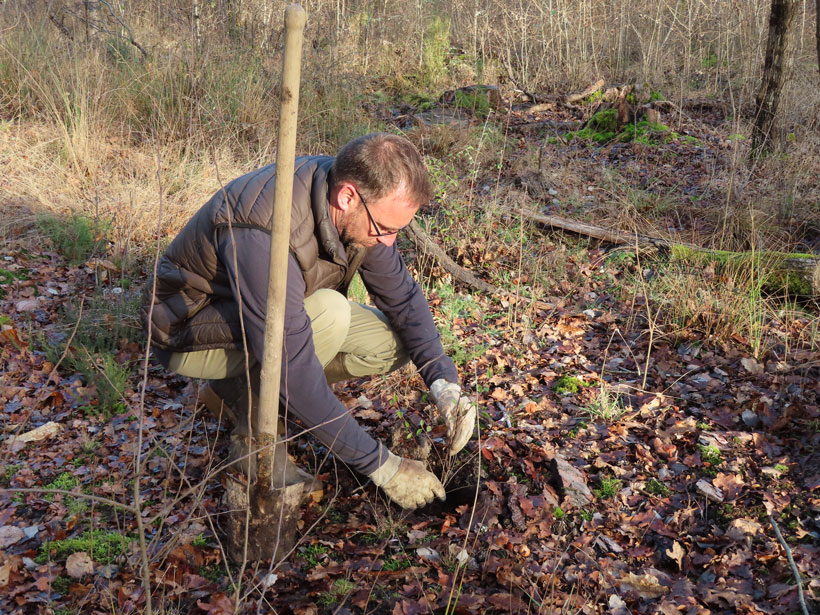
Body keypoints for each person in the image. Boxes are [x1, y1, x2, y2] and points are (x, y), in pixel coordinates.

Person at [141, 132, 477, 510]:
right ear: (347, 196)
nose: (388, 242)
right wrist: (384, 467)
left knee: (391, 341)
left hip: (270, 315)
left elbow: (403, 299)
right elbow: (292, 367)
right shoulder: (265, 230)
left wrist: (444, 382)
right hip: (190, 329)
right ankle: (257, 429)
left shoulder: (357, 205)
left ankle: (233, 389)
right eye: (385, 229)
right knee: (328, 314)